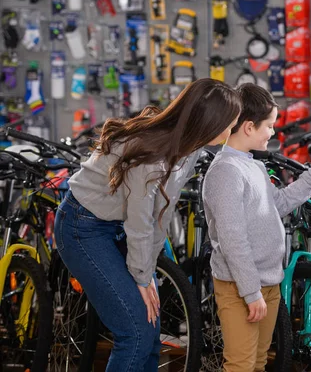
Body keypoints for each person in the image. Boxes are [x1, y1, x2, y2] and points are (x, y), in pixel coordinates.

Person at [54, 78, 242, 371]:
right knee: (136, 333)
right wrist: (142, 277)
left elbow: (161, 213)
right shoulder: (151, 153)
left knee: (151, 328)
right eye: (229, 123)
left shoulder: (190, 147)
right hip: (83, 227)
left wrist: (147, 268)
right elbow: (141, 221)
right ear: (209, 123)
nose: (231, 130)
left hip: (118, 225)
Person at [202, 83, 311, 372]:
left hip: (267, 283)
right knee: (241, 365)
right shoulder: (225, 172)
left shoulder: (254, 166)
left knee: (258, 363)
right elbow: (232, 240)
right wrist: (250, 293)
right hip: (241, 287)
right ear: (249, 127)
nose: (273, 133)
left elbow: (281, 202)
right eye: (270, 126)